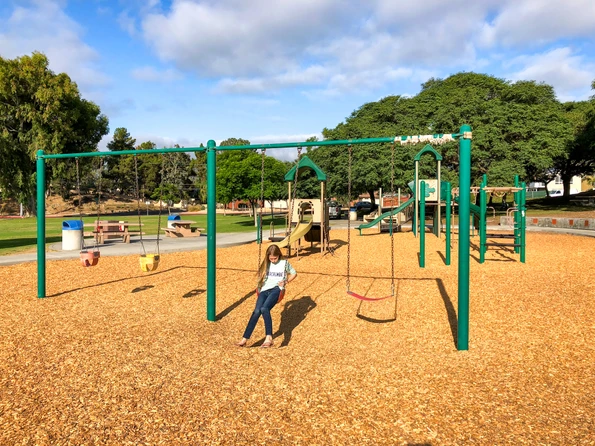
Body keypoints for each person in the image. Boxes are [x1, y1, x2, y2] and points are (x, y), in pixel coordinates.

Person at [237, 244, 297, 348]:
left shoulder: (284, 263)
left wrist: (286, 281)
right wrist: (260, 278)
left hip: (276, 289)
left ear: (279, 255)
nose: (273, 260)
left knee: (265, 308)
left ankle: (269, 338)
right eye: (271, 258)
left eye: (275, 258)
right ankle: (244, 338)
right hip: (264, 289)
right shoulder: (266, 263)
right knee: (256, 311)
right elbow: (261, 275)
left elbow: (294, 273)